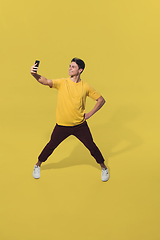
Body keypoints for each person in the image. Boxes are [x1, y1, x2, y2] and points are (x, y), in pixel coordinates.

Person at [31, 58, 109, 181]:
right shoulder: (62, 82)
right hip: (62, 125)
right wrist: (34, 74)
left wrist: (89, 114)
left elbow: (101, 100)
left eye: (73, 67)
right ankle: (37, 165)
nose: (70, 68)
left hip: (80, 126)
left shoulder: (85, 86)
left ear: (80, 70)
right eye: (69, 66)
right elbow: (45, 81)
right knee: (51, 146)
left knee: (92, 147)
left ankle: (104, 168)